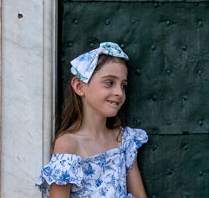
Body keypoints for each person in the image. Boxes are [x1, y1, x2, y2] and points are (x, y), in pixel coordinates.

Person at [37, 42, 148, 198]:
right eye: (109, 83)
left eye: (123, 85)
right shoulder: (69, 144)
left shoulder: (124, 140)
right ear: (79, 86)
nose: (119, 92)